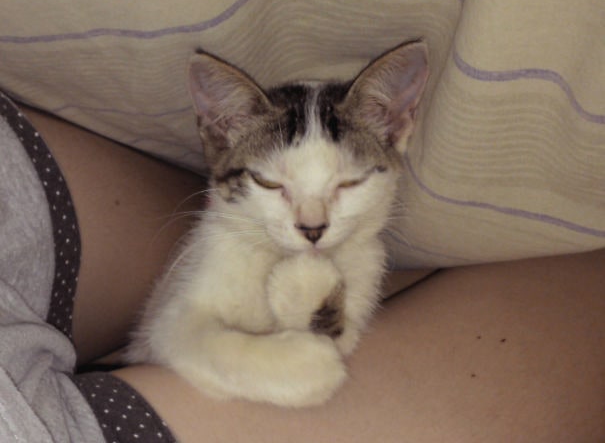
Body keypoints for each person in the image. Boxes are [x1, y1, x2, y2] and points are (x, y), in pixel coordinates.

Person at [1, 94, 604, 442]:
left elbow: (335, 336)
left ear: (397, 132)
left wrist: (321, 319)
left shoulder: (360, 243)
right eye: (271, 182)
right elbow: (174, 332)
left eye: (348, 183)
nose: (312, 220)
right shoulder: (223, 230)